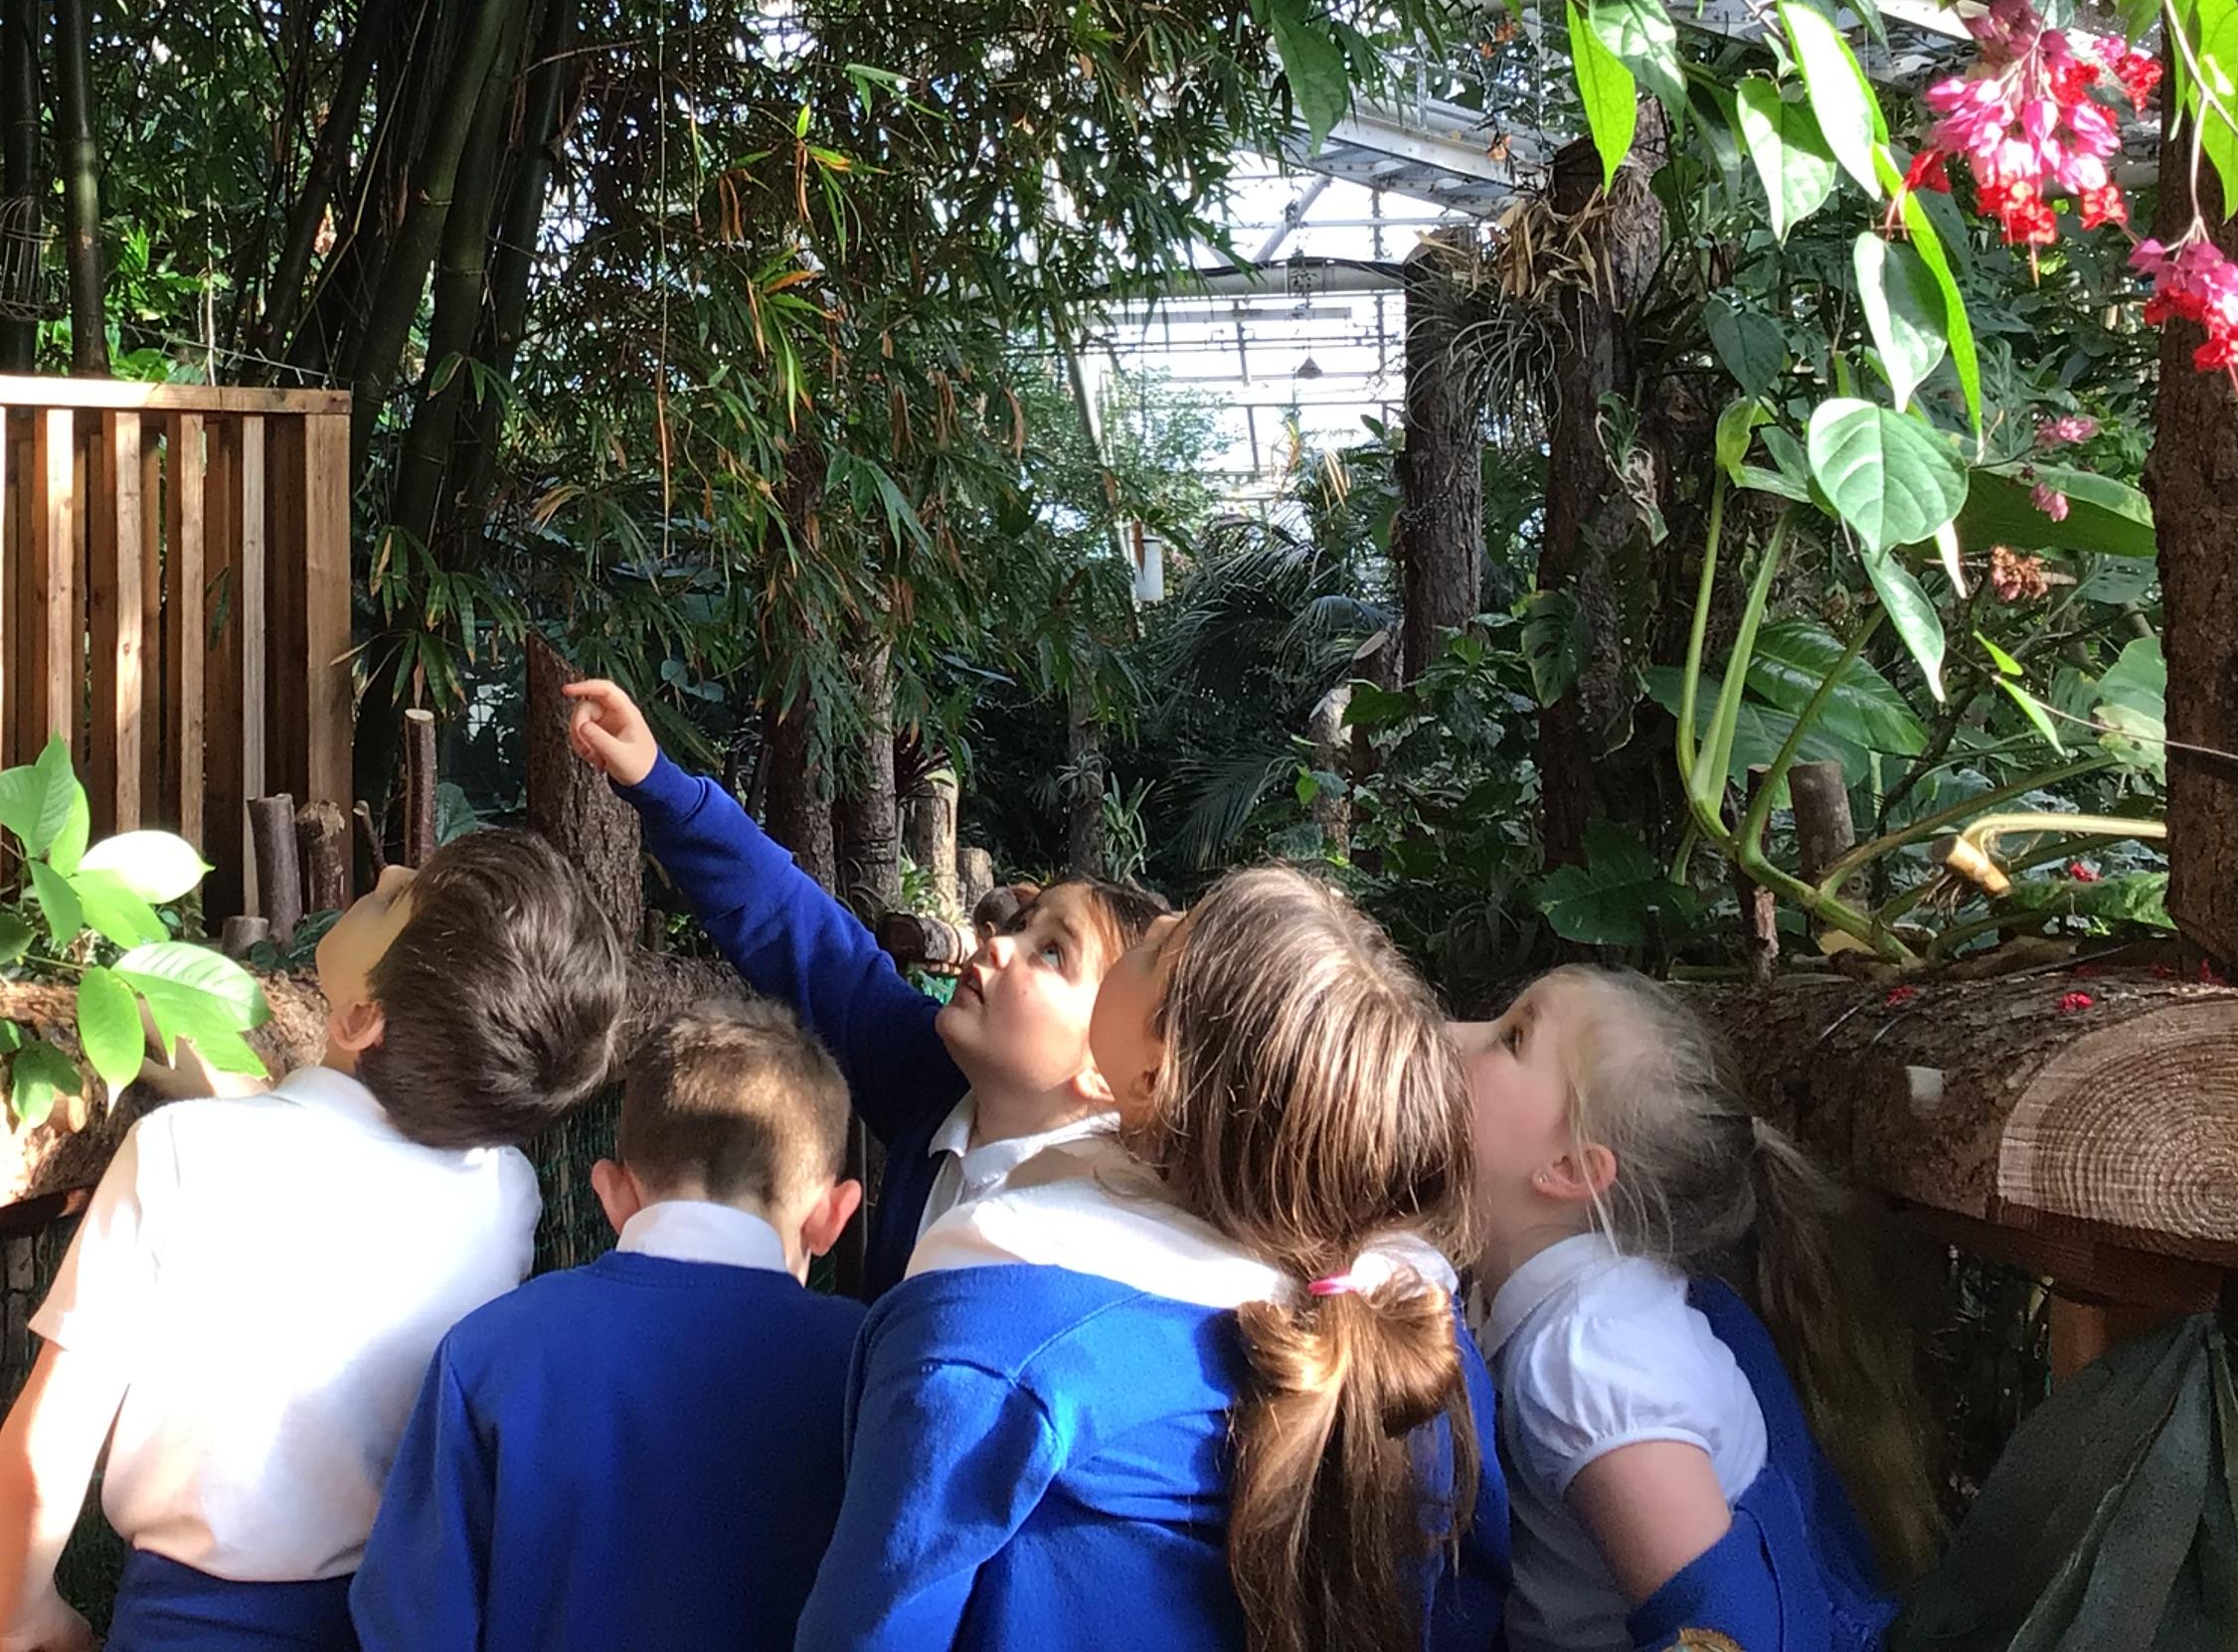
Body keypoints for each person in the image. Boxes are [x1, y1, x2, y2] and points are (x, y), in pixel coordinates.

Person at [798, 865, 1501, 1652]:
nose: (1159, 920)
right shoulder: (1419, 1349)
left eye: (1167, 946)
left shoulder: (994, 1331)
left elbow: (871, 1627)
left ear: (1152, 1078)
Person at [0, 833, 630, 1652]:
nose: (390, 870)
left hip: (186, 1626)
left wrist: (23, 1614)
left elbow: (53, 1441)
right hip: (391, 1623)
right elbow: (336, 1193)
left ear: (360, 1019)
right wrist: (240, 1098)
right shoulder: (505, 1194)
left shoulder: (180, 1153)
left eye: (396, 900)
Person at [563, 677, 1160, 1296]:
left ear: (1111, 1071)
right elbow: (806, 936)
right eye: (1021, 926)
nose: (1000, 945)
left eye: (1054, 953)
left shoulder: (1114, 1244)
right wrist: (660, 783)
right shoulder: (936, 1089)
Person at [351, 1002, 869, 1651]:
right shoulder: (873, 1367)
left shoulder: (489, 1349)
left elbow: (412, 1621)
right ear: (832, 1214)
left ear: (611, 1191)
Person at [1454, 966, 1930, 1652]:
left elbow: (1727, 1636)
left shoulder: (1594, 1365)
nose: (1453, 1034)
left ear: (1573, 1169)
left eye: (1513, 1037)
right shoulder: (1579, 1317)